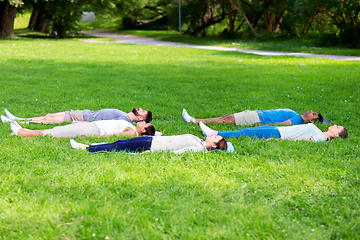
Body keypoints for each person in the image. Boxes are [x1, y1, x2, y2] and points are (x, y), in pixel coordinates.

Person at [70, 134, 233, 154]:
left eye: (215, 138)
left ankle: (86, 148)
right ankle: (94, 145)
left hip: (152, 146)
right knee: (120, 143)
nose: (213, 135)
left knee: (119, 146)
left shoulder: (198, 147)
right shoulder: (199, 140)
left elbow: (177, 153)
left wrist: (150, 153)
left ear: (213, 146)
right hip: (153, 140)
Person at [199, 121, 348, 142]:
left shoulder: (321, 137)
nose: (334, 125)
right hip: (278, 130)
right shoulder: (320, 133)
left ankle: (213, 133)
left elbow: (305, 141)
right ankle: (214, 132)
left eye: (337, 127)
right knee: (246, 131)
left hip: (278, 134)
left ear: (336, 135)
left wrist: (277, 140)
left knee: (244, 132)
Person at [10, 120, 155, 138]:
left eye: (145, 124)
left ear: (143, 130)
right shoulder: (132, 128)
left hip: (94, 131)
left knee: (58, 132)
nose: (142, 121)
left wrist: (91, 138)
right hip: (94, 126)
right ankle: (25, 130)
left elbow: (113, 137)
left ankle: (22, 133)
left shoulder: (132, 132)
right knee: (61, 128)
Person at [182, 108, 327, 126]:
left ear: (310, 120)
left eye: (313, 114)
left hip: (257, 118)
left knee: (226, 119)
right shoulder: (296, 114)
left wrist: (263, 126)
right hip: (257, 114)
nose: (311, 111)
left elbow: (282, 124)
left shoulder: (297, 119)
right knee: (226, 117)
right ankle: (196, 120)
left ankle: (195, 121)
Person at [1, 108, 152, 124]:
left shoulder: (124, 120)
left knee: (49, 120)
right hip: (81, 113)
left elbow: (107, 126)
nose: (140, 108)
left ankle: (17, 123)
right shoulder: (124, 115)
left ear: (140, 118)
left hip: (82, 119)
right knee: (49, 115)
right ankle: (17, 119)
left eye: (142, 112)